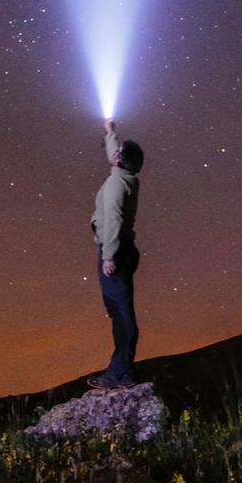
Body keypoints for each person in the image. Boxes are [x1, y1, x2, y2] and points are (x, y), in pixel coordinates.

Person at [88, 117, 144, 390]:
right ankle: (123, 369)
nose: (115, 152)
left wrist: (108, 256)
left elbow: (113, 221)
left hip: (116, 252)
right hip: (124, 250)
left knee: (122, 315)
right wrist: (111, 133)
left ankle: (119, 373)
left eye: (119, 151)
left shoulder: (115, 186)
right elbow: (117, 158)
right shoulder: (125, 178)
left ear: (121, 161)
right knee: (118, 310)